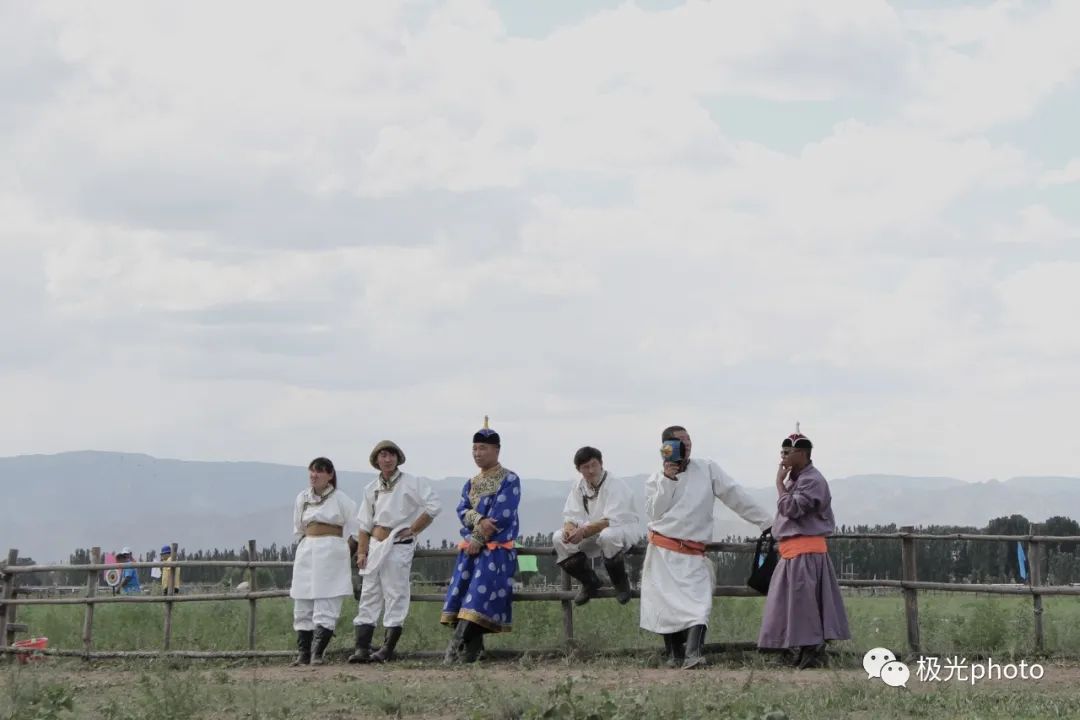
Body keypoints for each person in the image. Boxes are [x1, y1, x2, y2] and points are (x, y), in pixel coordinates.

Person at [640, 425, 773, 669]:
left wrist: (767, 522)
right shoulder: (656, 479)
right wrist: (668, 480)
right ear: (667, 448)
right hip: (663, 550)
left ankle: (693, 654)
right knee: (665, 604)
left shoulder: (708, 468)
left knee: (699, 603)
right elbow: (654, 511)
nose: (687, 444)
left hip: (693, 552)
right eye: (680, 441)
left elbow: (735, 495)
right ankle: (674, 655)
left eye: (688, 439)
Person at [757, 430, 851, 669]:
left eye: (787, 452)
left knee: (804, 604)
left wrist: (778, 483)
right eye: (782, 451)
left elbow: (792, 508)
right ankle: (797, 651)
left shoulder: (812, 481)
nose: (783, 456)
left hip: (806, 553)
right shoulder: (796, 480)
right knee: (789, 604)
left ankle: (811, 652)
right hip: (791, 553)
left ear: (803, 454)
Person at [348, 440, 441, 664]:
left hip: (398, 544)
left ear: (398, 458)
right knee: (370, 593)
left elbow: (434, 504)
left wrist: (414, 528)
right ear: (376, 460)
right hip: (375, 545)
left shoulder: (412, 483)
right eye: (382, 456)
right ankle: (362, 647)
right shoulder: (371, 488)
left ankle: (387, 649)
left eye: (391, 455)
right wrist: (362, 551)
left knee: (395, 592)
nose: (387, 459)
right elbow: (364, 523)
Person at [440, 418, 521, 664]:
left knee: (478, 597)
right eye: (475, 448)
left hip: (496, 550)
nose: (477, 453)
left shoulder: (510, 479)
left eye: (483, 448)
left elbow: (503, 514)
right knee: (464, 598)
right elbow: (462, 510)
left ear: (497, 450)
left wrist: (479, 534)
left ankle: (453, 650)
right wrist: (478, 521)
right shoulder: (470, 483)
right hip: (472, 551)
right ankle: (471, 654)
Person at [289, 457, 358, 666]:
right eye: (312, 471)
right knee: (302, 602)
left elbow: (356, 530)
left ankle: (318, 652)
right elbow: (298, 528)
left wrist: (346, 553)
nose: (314, 475)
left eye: (319, 471)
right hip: (307, 550)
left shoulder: (342, 499)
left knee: (326, 602)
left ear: (330, 475)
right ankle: (303, 653)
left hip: (332, 552)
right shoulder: (302, 498)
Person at [553, 446, 639, 605]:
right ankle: (589, 582)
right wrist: (569, 530)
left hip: (622, 527)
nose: (591, 470)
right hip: (593, 528)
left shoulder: (615, 484)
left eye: (594, 465)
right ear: (579, 469)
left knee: (608, 535)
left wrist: (583, 532)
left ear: (601, 464)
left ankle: (620, 583)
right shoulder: (579, 485)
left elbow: (610, 520)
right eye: (585, 467)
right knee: (558, 538)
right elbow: (571, 514)